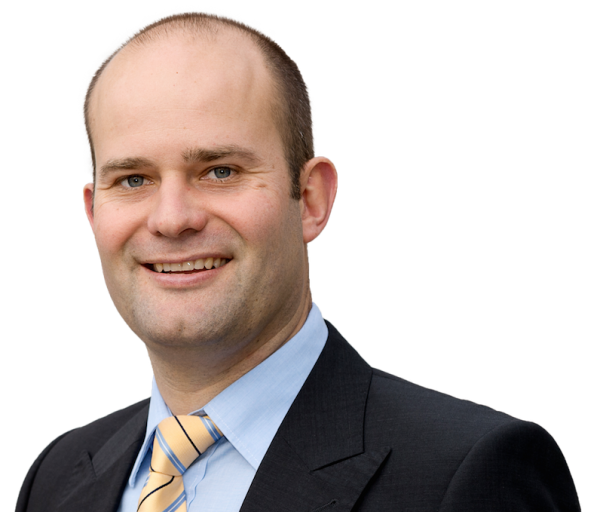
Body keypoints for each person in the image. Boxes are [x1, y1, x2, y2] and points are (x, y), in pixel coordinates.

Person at [16, 8, 580, 512]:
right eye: (133, 179)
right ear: (93, 212)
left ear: (311, 199)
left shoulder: (468, 473)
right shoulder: (57, 479)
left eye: (220, 171)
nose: (171, 219)